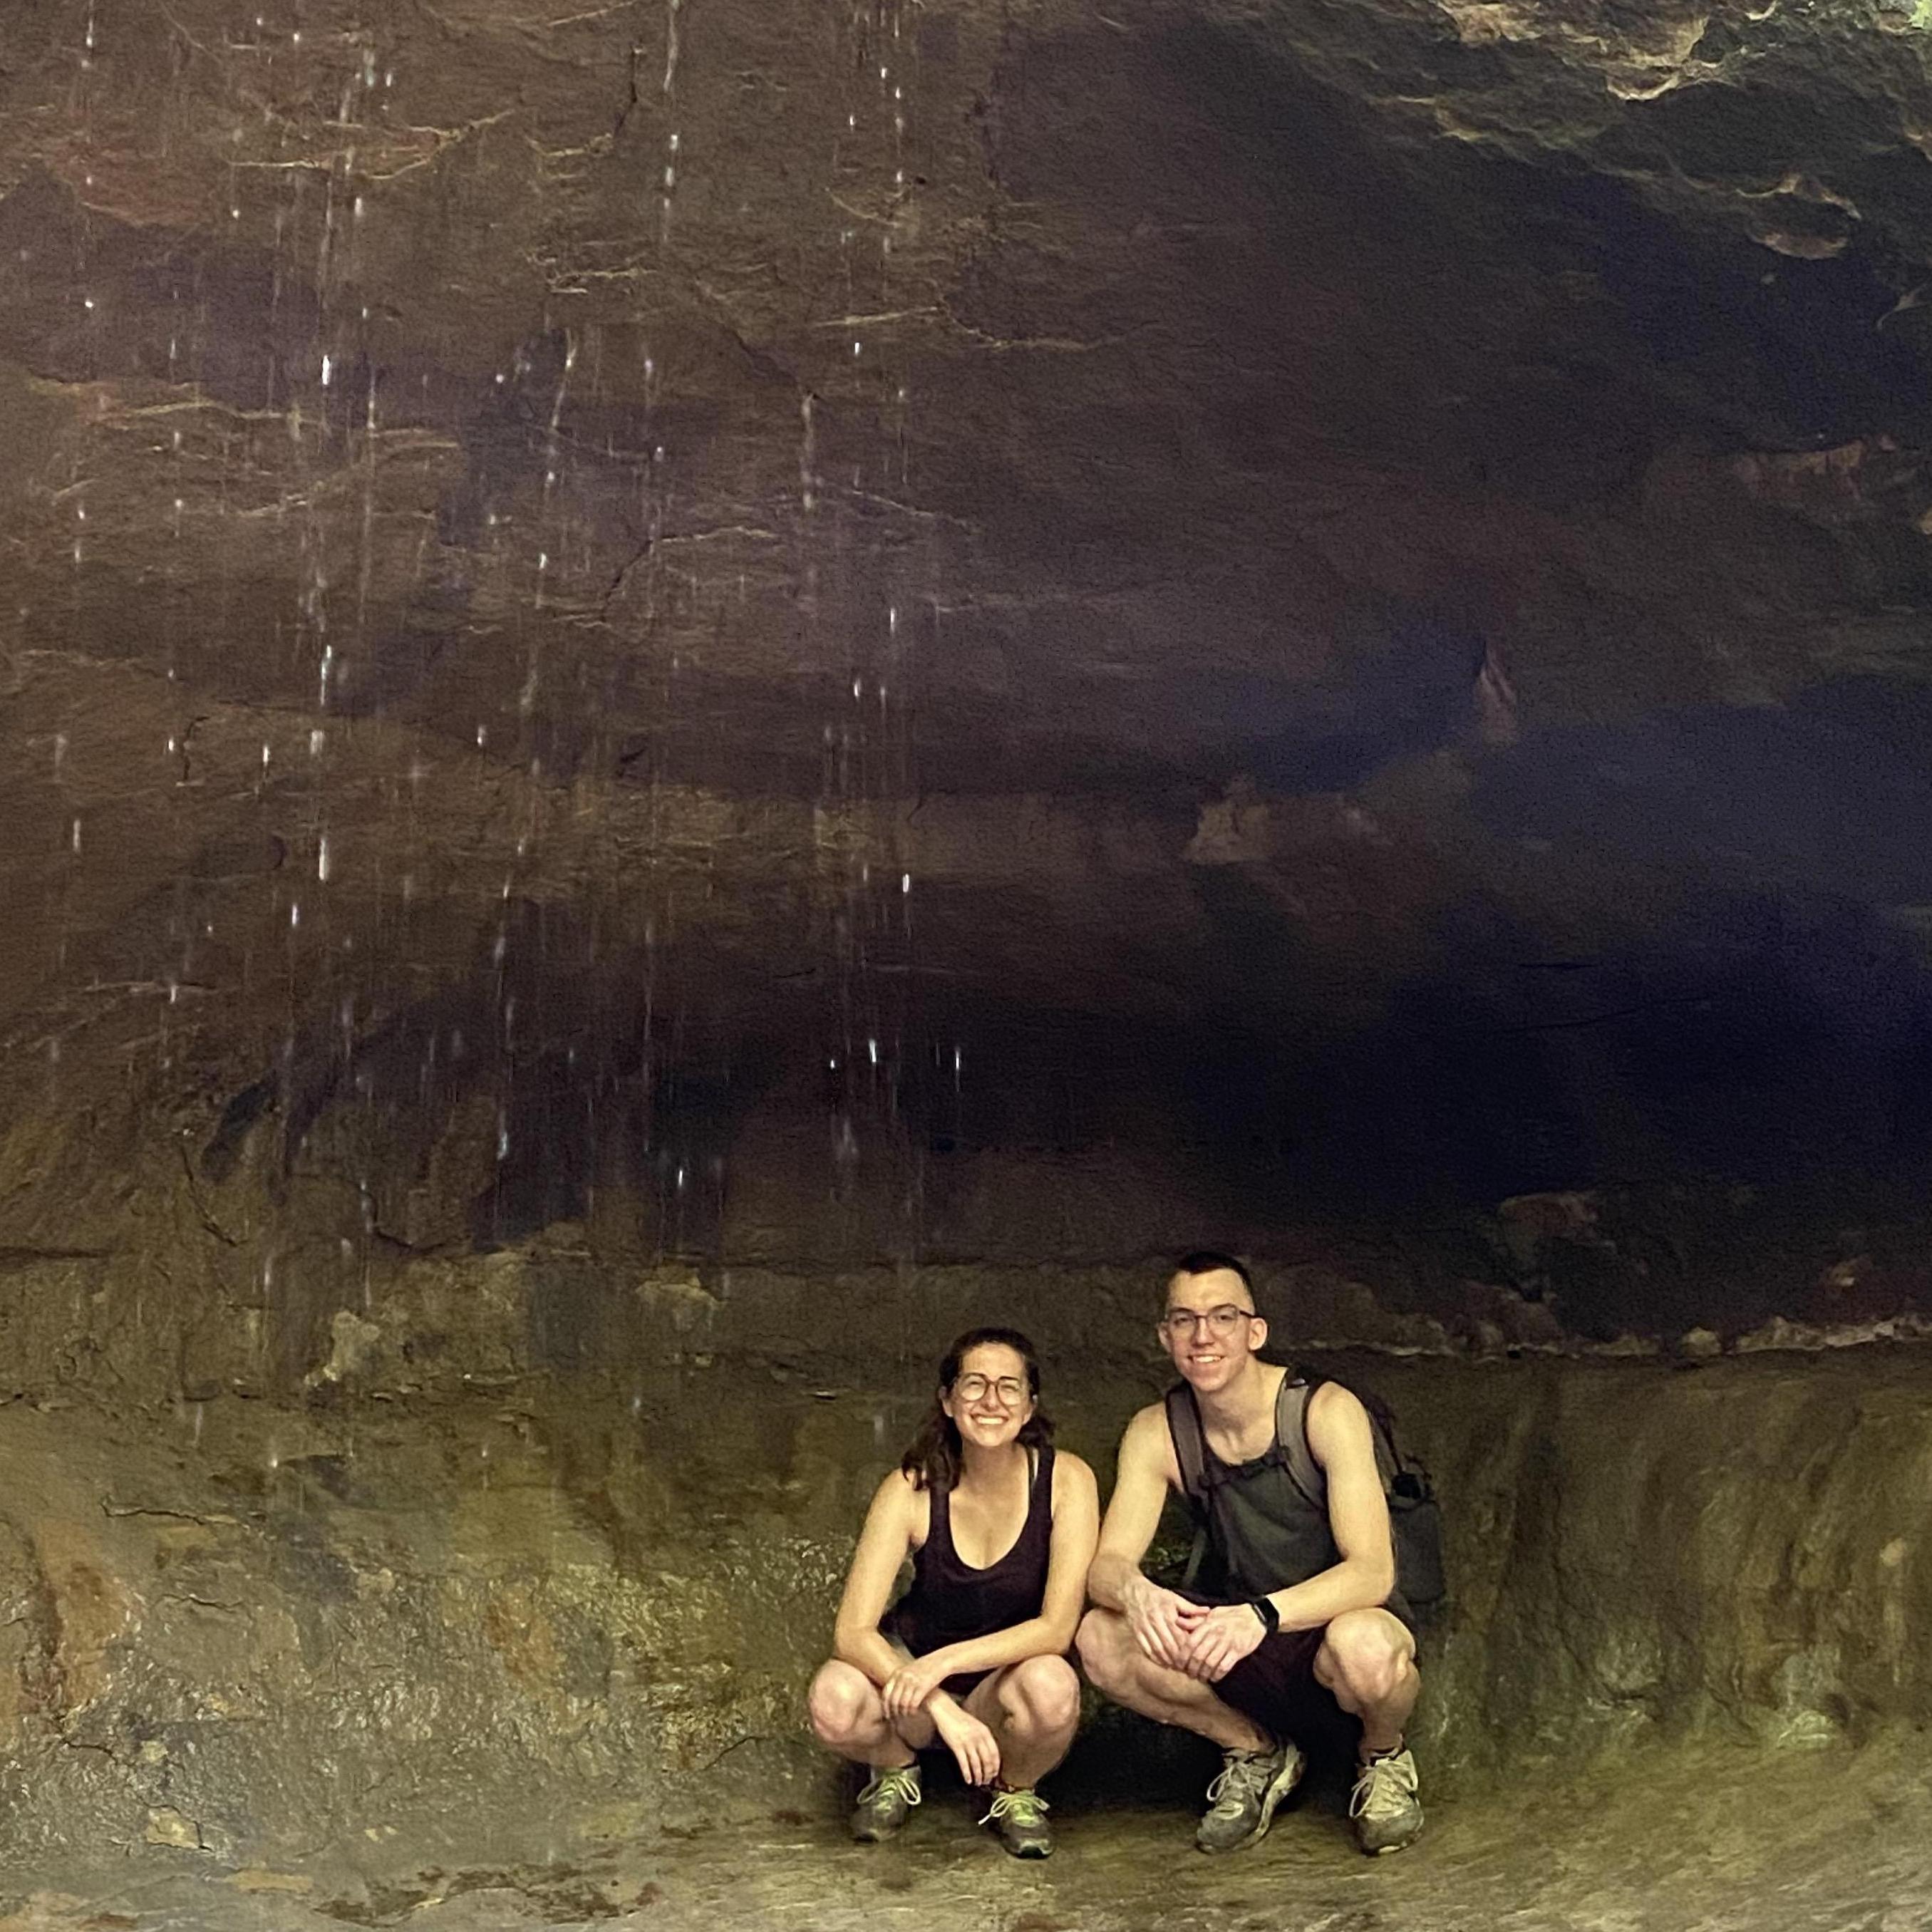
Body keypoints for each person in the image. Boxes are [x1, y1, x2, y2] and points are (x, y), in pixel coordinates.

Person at [1078, 1253, 1424, 1857]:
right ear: (1164, 1337)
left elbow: (1371, 1570)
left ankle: (1382, 1756)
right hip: (1235, 1635)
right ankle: (1256, 1751)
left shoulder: (1322, 1410)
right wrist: (1137, 1593)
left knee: (1365, 1648)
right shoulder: (1156, 1430)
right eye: (1183, 1319)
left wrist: (1260, 1615)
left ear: (1254, 1331)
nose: (1202, 1335)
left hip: (1327, 1628)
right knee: (1101, 1638)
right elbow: (1106, 1566)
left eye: (1222, 1316)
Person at [806, 1327, 1100, 1859]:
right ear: (947, 1400)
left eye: (1009, 1387)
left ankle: (1013, 1788)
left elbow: (1056, 1628)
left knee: (1052, 1685)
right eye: (974, 1384)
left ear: (1030, 1406)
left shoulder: (1066, 1480)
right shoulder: (910, 1487)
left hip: (1001, 1687)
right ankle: (895, 1767)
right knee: (834, 1698)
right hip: (915, 1695)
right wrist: (937, 1701)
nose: (991, 1400)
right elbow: (852, 1631)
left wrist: (940, 1664)